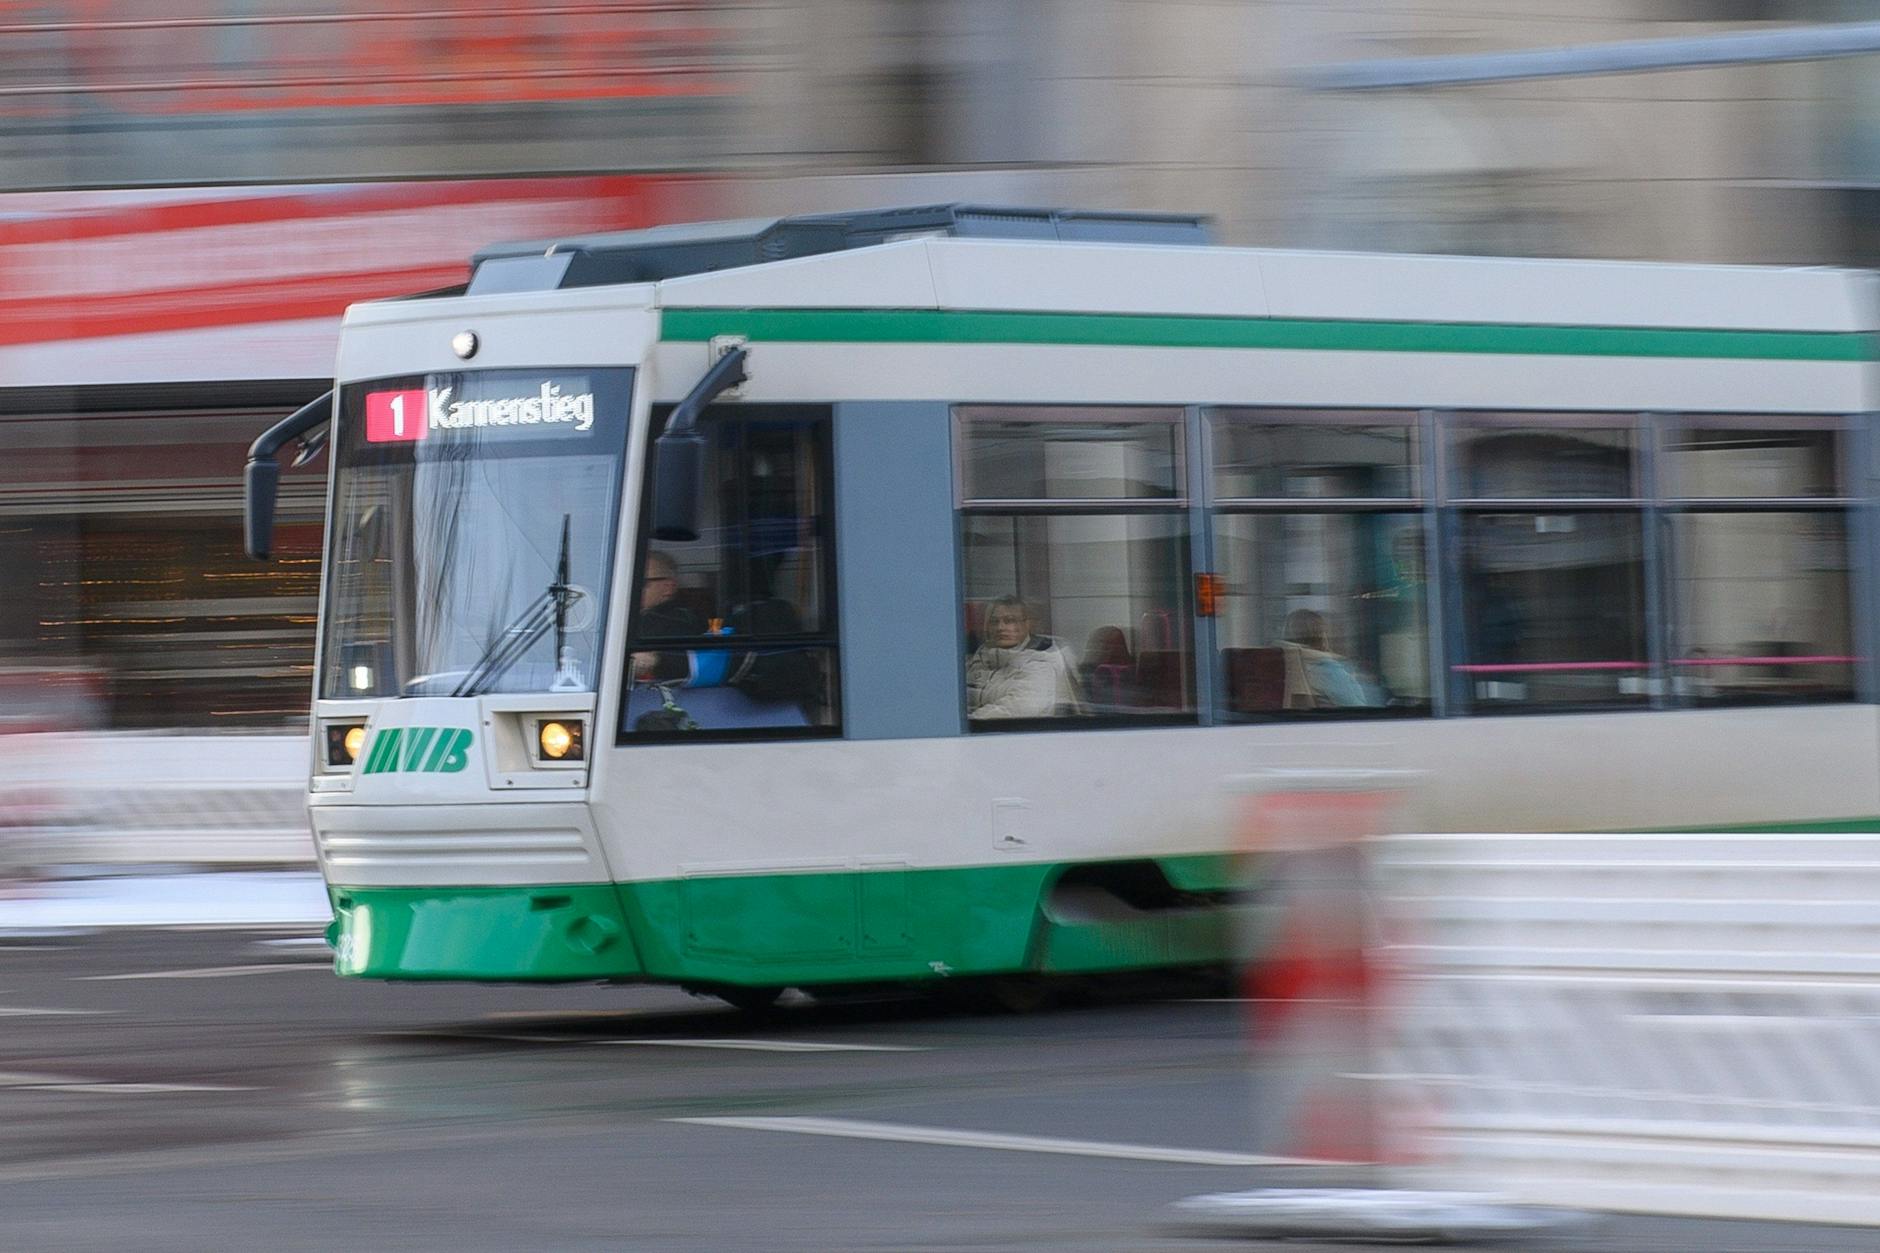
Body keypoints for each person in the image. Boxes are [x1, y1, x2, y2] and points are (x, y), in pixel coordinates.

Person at [966, 596, 1068, 720]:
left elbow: (1015, 709)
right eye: (994, 621)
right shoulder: (982, 658)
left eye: (1010, 621)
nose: (1000, 628)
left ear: (1027, 625)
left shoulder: (1041, 664)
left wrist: (969, 719)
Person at [1280, 608, 1379, 709]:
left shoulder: (1285, 665)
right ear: (1321, 636)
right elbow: (1358, 708)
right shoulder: (1326, 669)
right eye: (1324, 632)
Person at [632, 550, 704, 682]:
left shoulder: (680, 622)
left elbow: (692, 663)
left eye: (640, 582)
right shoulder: (621, 618)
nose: (631, 587)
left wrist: (655, 659)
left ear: (668, 587)